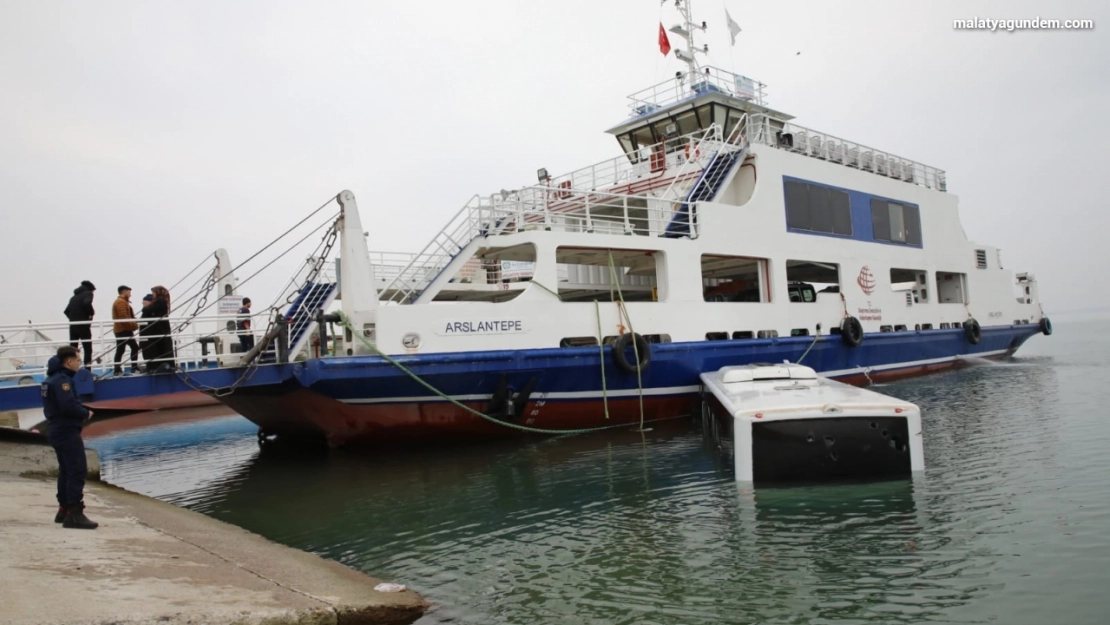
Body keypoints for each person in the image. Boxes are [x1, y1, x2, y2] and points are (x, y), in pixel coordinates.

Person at [42, 346, 98, 529]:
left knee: (66, 470)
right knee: (76, 470)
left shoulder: (50, 379)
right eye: (78, 361)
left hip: (56, 429)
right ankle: (75, 513)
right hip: (66, 429)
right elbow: (68, 406)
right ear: (69, 361)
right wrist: (85, 413)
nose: (79, 364)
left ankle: (64, 509)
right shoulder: (62, 381)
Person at [63, 280, 96, 367]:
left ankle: (71, 369)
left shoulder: (73, 297)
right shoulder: (88, 293)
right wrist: (91, 313)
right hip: (83, 326)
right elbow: (87, 302)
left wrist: (74, 319)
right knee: (87, 349)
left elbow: (66, 311)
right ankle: (87, 369)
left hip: (73, 327)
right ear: (90, 289)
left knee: (73, 350)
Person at [145, 286, 176, 371]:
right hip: (161, 328)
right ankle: (166, 364)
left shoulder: (160, 301)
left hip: (159, 329)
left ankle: (157, 365)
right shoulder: (162, 301)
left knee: (158, 347)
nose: (152, 295)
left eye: (153, 292)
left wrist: (147, 306)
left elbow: (148, 310)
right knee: (163, 346)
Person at [111, 285, 140, 375]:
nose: (130, 294)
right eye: (129, 292)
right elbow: (124, 317)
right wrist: (134, 325)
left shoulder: (122, 301)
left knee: (121, 349)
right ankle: (133, 368)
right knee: (134, 347)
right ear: (123, 292)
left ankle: (118, 369)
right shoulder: (121, 302)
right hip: (124, 330)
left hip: (122, 329)